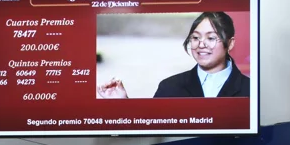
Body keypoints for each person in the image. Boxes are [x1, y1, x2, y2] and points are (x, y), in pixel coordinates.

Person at [97, 12, 250, 99]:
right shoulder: (170, 87)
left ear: (230, 43)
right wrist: (123, 104)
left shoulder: (250, 90)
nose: (201, 44)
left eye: (210, 38)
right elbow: (151, 130)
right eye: (196, 37)